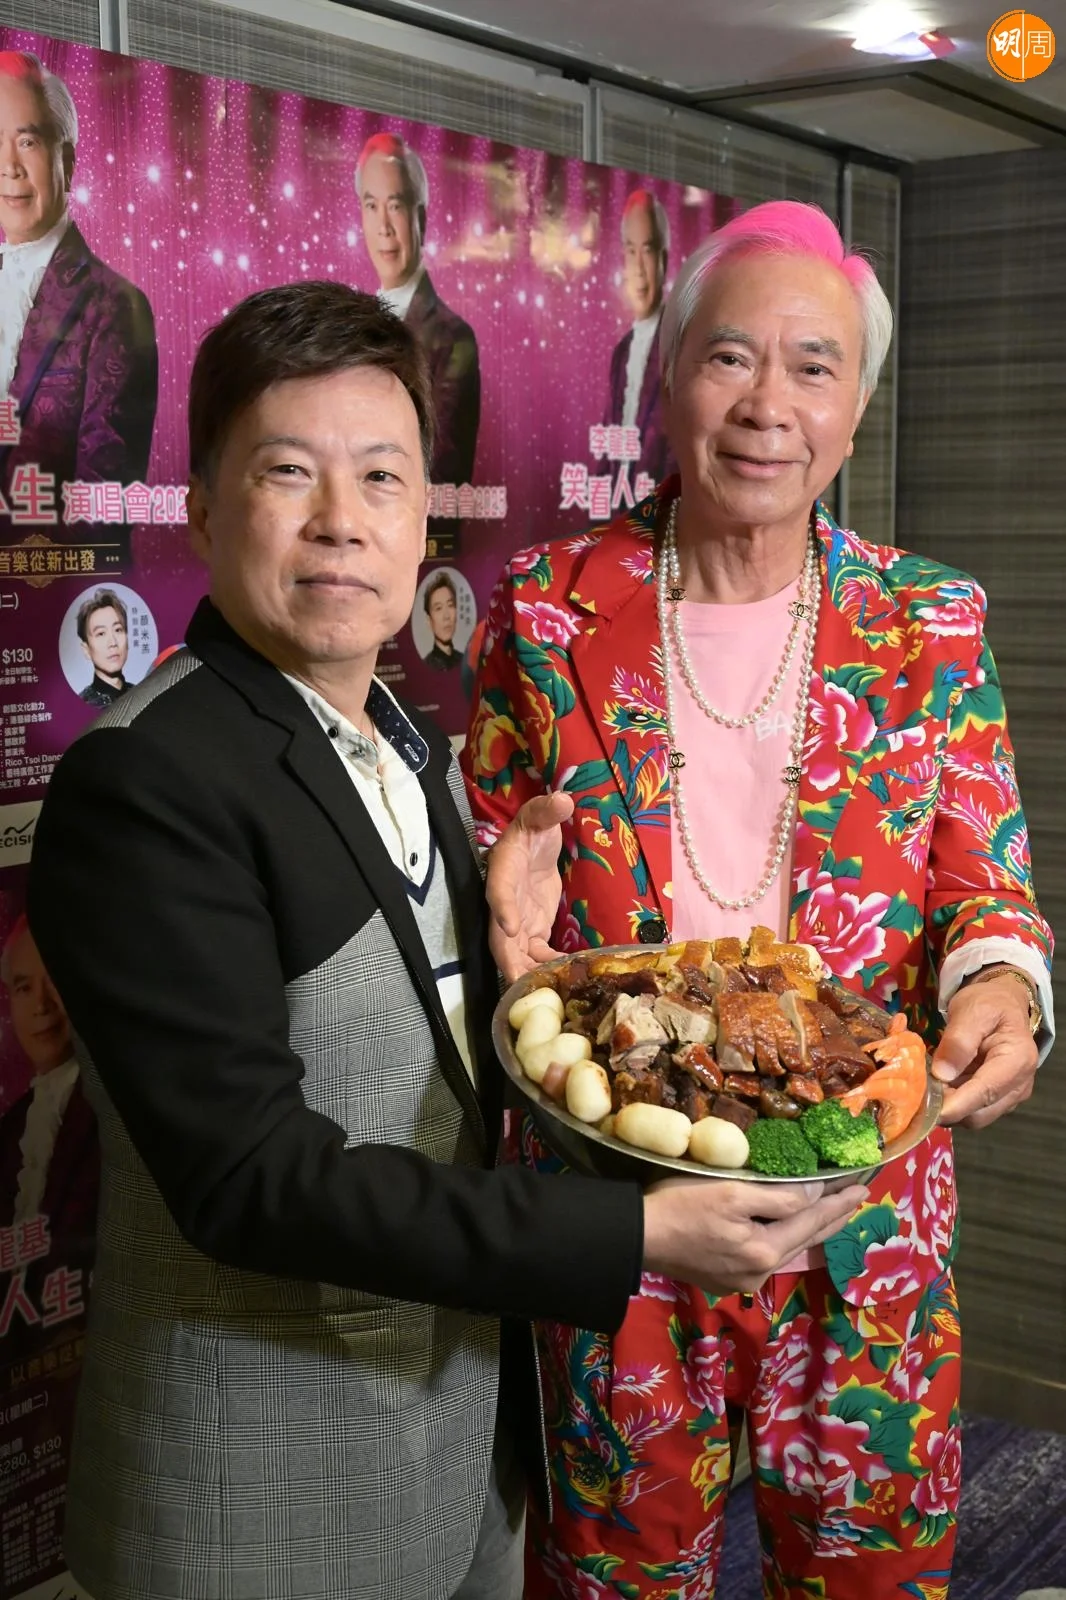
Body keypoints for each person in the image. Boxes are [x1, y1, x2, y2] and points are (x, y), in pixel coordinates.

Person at [26, 280, 864, 1600]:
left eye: (381, 477)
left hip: (457, 1451)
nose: (340, 520)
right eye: (287, 473)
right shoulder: (148, 781)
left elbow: (421, 1058)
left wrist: (516, 961)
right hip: (260, 1497)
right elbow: (251, 1178)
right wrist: (634, 1235)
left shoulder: (405, 738)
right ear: (200, 509)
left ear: (423, 515)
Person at [464, 201, 1054, 1599]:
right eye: (729, 357)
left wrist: (998, 983)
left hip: (862, 1204)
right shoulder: (542, 610)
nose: (767, 405)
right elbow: (490, 854)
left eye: (813, 366)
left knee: (871, 1571)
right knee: (614, 1574)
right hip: (617, 1206)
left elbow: (986, 880)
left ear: (855, 408)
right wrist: (500, 924)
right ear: (668, 376)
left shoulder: (929, 624)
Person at [0, 52, 158, 541]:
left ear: (66, 162)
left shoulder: (114, 305)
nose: (9, 167)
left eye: (27, 142)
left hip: (49, 577)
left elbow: (104, 507)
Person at [356, 131, 480, 497]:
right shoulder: (353, 328)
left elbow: (443, 472)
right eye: (371, 206)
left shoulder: (453, 337)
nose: (384, 227)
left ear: (421, 219)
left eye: (395, 206)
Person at [0, 915, 98, 1260]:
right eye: (24, 988)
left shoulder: (116, 1107)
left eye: (54, 980)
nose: (41, 1006)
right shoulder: (9, 1130)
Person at [605, 188, 675, 484]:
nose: (639, 269)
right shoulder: (621, 353)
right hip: (618, 505)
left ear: (664, 259)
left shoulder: (680, 345)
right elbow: (608, 450)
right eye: (630, 251)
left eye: (647, 250)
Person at [75, 587, 129, 705]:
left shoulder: (143, 694)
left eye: (118, 630)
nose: (113, 643)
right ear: (86, 649)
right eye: (101, 634)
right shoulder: (80, 704)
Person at [422, 568, 462, 670]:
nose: (446, 616)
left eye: (450, 605)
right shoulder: (427, 665)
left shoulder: (464, 660)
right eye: (438, 608)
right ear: (429, 620)